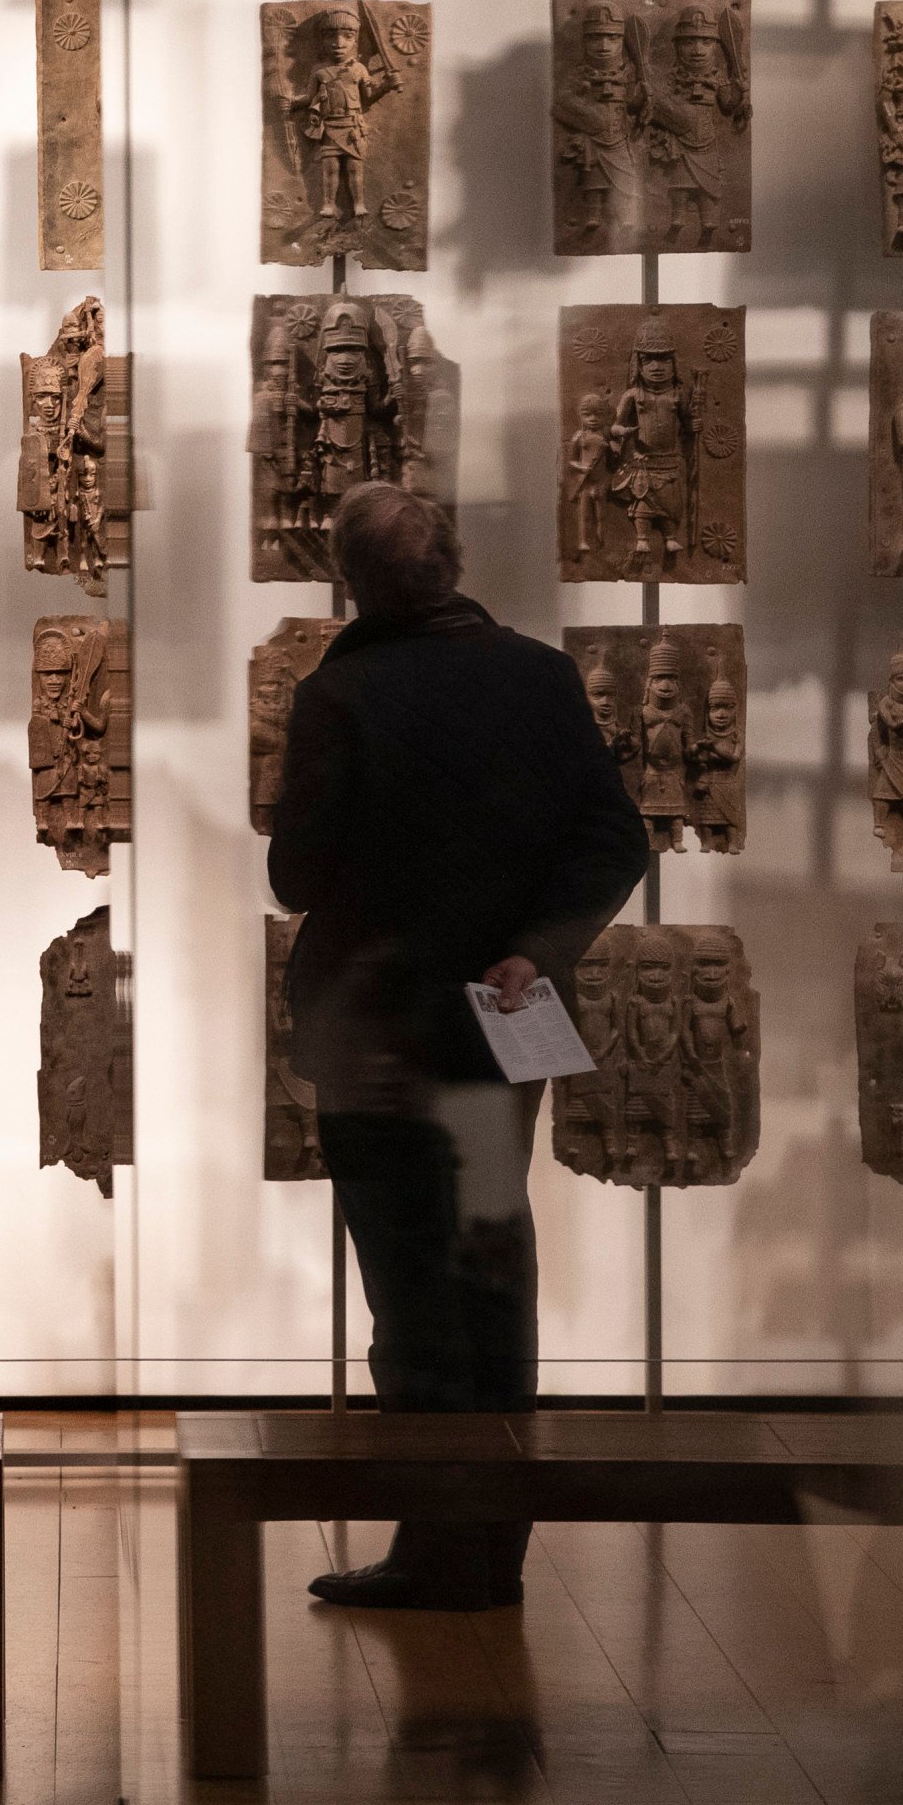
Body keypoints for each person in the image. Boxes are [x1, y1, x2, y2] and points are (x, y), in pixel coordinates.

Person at [265, 483, 650, 1609]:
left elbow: (296, 873)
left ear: (348, 579)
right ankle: (493, 1549)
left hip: (378, 1034)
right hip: (492, 1024)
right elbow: (611, 834)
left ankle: (438, 1546)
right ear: (455, 564)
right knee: (491, 1271)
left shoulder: (342, 692)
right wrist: (537, 946)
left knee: (412, 1294)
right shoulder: (536, 676)